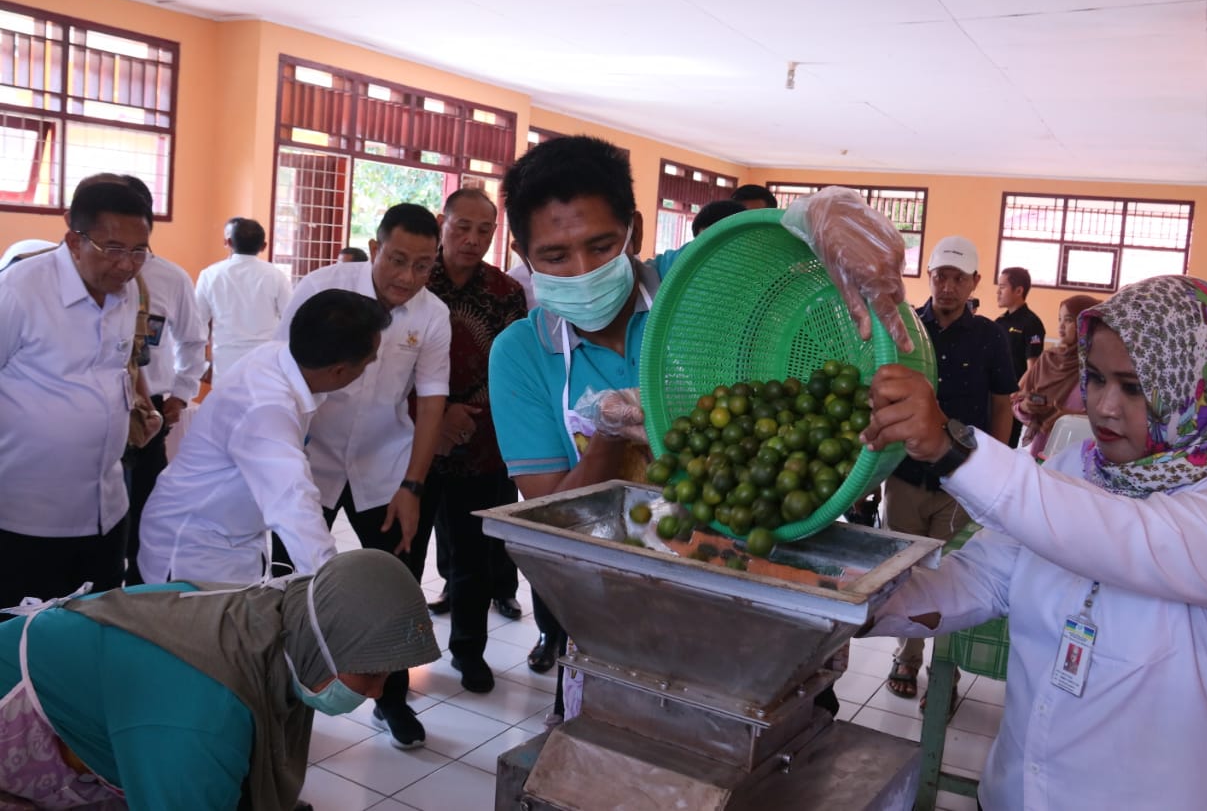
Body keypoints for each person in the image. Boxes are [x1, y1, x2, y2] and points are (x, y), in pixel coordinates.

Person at [490, 135, 913, 720]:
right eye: (555, 257)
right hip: (620, 608)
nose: (582, 272)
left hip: (757, 581)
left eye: (600, 245)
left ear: (634, 230)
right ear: (522, 252)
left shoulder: (691, 285)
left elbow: (784, 234)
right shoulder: (520, 353)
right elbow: (554, 518)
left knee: (782, 737)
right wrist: (607, 437)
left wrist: (828, 209)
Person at [861, 273, 1207, 811]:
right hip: (1016, 793)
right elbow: (982, 579)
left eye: (1132, 386)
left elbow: (1130, 539)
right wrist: (852, 603)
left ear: (1198, 388)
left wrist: (952, 449)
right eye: (1097, 378)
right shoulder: (1074, 470)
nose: (1102, 405)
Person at [0, 549, 439, 810]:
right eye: (369, 673)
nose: (378, 692)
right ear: (321, 645)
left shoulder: (280, 619)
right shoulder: (201, 713)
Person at [273, 203, 450, 747]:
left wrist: (413, 486)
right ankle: (280, 694)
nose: (407, 277)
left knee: (395, 586)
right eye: (397, 260)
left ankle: (392, 701)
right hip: (310, 459)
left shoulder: (432, 314)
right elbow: (282, 369)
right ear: (375, 249)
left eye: (423, 266)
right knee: (286, 578)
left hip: (385, 463)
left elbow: (432, 400)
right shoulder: (320, 289)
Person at [138, 289, 389, 585]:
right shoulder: (267, 409)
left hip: (230, 535)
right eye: (368, 363)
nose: (369, 368)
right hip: (195, 548)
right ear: (338, 370)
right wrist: (331, 586)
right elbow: (294, 504)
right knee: (198, 629)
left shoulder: (280, 356)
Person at [0, 181, 152, 610]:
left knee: (96, 629)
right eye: (114, 249)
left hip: (106, 510)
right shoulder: (19, 291)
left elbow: (116, 371)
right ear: (74, 241)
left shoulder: (128, 291)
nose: (127, 265)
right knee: (24, 644)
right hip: (27, 519)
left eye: (139, 251)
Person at [881, 234, 1016, 700]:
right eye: (941, 276)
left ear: (975, 282)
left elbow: (1002, 403)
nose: (949, 286)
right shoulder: (907, 328)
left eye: (959, 277)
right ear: (931, 278)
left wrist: (993, 468)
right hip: (904, 473)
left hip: (961, 478)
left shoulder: (990, 337)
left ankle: (946, 669)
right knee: (901, 567)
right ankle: (907, 655)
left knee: (951, 571)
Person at [420, 188, 528, 692]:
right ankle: (394, 664)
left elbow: (510, 366)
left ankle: (469, 651)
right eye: (462, 227)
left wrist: (465, 414)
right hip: (414, 441)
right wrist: (437, 416)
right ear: (443, 223)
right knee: (404, 556)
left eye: (485, 230)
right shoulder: (418, 278)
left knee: (474, 560)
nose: (473, 239)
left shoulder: (506, 292)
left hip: (481, 444)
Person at [108, 175, 208, 586]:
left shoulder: (170, 278)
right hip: (94, 412)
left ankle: (137, 595)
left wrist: (181, 396)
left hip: (149, 414)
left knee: (145, 510)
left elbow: (194, 340)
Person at [195, 217, 293, 381]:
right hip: (266, 360)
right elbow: (290, 318)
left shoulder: (210, 275)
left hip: (225, 360)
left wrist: (201, 363)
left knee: (227, 404)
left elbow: (197, 322)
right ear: (263, 246)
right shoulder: (276, 275)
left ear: (229, 242)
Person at [1012, 294, 1101, 458]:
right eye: (1059, 319)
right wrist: (1026, 407)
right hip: (1040, 448)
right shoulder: (1048, 359)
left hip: (1080, 454)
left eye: (1068, 320)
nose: (1061, 326)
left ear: (1086, 323)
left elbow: (1109, 417)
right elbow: (1018, 405)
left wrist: (1070, 418)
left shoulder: (1099, 367)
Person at [996, 266, 1046, 446]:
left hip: (1010, 400)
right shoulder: (1000, 322)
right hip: (994, 395)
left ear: (1018, 290)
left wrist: (1014, 392)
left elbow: (1033, 368)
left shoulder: (1031, 323)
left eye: (1002, 287)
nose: (997, 292)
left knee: (1004, 447)